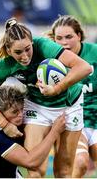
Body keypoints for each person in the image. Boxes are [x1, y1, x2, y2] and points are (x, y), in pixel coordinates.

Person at [0, 17, 92, 178]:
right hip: (38, 106)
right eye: (18, 52)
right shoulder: (5, 65)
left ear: (32, 42)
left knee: (63, 172)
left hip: (69, 104)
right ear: (8, 51)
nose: (24, 56)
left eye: (27, 49)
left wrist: (56, 88)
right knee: (36, 171)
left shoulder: (44, 46)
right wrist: (4, 125)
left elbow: (84, 68)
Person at [0, 85, 65, 178]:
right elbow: (31, 162)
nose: (21, 115)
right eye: (15, 112)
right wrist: (54, 132)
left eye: (22, 109)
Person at [47, 14, 97, 178]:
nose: (63, 42)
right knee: (79, 163)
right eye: (59, 38)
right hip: (72, 119)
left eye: (69, 37)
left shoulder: (94, 53)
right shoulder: (49, 61)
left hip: (95, 119)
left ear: (79, 36)